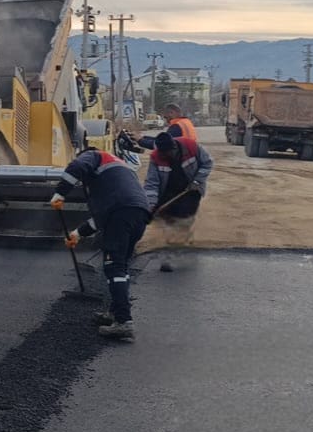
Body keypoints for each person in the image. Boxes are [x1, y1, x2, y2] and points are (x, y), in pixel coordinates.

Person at [50, 147, 152, 340]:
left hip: (121, 213)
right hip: (138, 213)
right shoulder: (118, 170)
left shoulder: (94, 155)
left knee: (114, 267)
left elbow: (77, 165)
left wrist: (60, 193)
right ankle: (115, 313)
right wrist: (77, 234)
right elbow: (103, 216)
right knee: (121, 266)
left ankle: (123, 322)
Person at [144, 131, 213, 270]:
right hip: (168, 190)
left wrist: (197, 180)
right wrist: (151, 205)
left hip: (190, 189)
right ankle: (170, 247)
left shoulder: (191, 147)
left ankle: (176, 252)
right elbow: (151, 184)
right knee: (166, 217)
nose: (164, 156)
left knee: (184, 218)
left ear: (174, 148)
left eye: (167, 153)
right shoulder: (156, 156)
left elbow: (207, 163)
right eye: (162, 153)